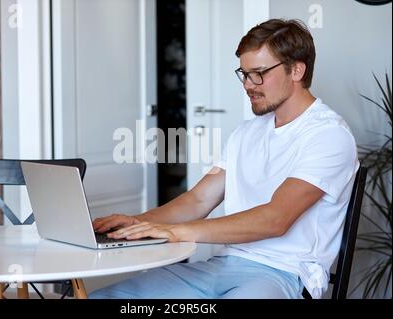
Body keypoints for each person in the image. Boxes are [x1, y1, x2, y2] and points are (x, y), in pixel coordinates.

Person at [89, 19, 359, 299]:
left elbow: (275, 219)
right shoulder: (247, 132)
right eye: (243, 74)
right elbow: (198, 200)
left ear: (297, 70)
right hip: (221, 267)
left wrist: (178, 232)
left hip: (283, 274)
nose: (247, 85)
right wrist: (137, 223)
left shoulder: (328, 136)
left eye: (259, 73)